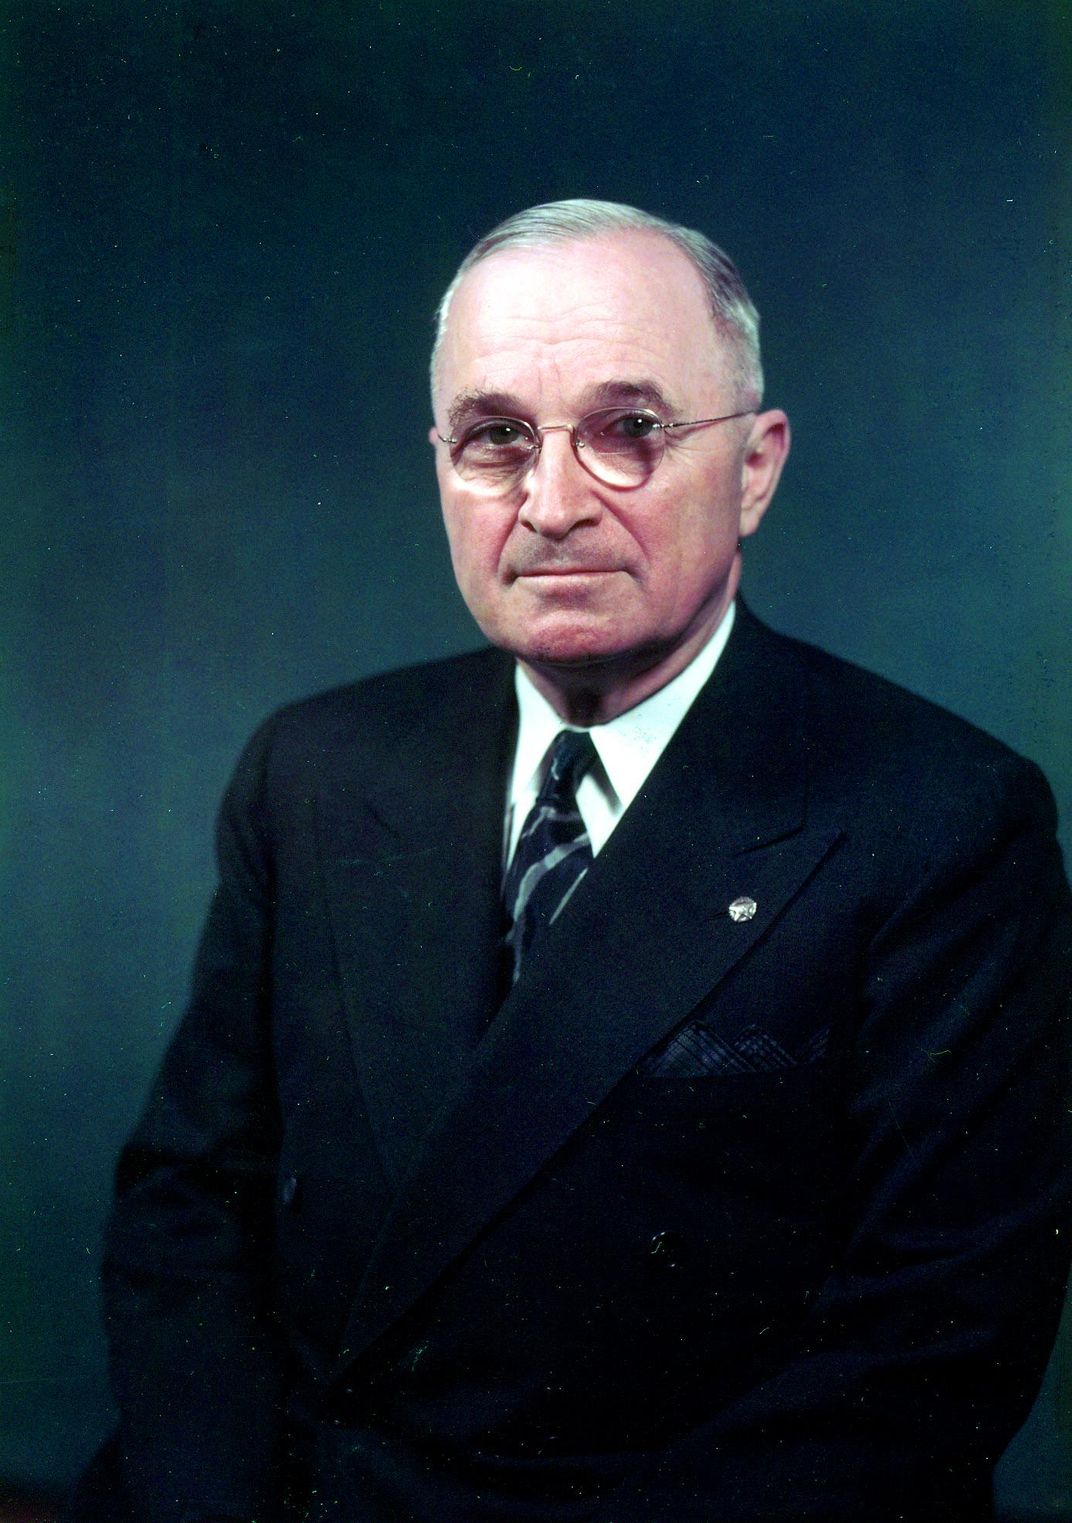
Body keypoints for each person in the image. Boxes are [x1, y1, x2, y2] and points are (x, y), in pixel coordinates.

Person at [68, 200, 1071, 1523]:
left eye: (629, 433)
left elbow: (923, 1360)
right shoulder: (314, 772)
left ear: (756, 467)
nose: (549, 505)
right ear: (439, 464)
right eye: (495, 441)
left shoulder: (939, 819)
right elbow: (185, 1218)